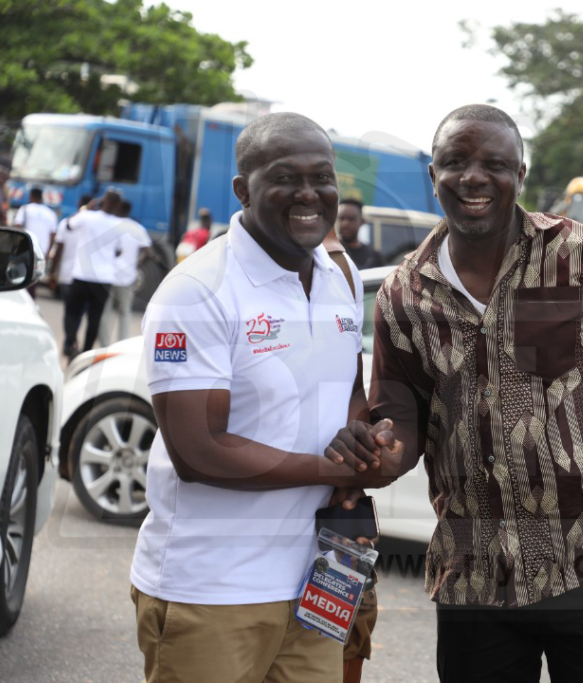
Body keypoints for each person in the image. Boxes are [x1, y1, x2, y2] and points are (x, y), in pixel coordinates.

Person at [338, 104, 583, 682]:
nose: (473, 177)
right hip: (474, 578)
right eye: (455, 162)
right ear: (433, 175)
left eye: (494, 164)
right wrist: (383, 450)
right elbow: (401, 418)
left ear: (521, 174)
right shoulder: (403, 295)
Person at [129, 112, 398, 683]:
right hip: (213, 590)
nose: (309, 194)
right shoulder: (197, 291)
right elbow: (198, 451)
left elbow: (346, 387)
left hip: (319, 581)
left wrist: (360, 445)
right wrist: (326, 469)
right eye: (285, 177)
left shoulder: (340, 278)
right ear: (242, 189)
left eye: (322, 177)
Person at [61, 190, 124, 358]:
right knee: (95, 318)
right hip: (104, 279)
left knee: (72, 312)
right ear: (118, 205)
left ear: (102, 201)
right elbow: (118, 251)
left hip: (81, 275)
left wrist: (85, 208)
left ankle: (70, 344)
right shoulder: (120, 224)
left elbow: (68, 225)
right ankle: (87, 351)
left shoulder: (86, 216)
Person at [97, 199, 152, 346]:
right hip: (128, 276)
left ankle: (104, 345)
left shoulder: (111, 225)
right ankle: (121, 343)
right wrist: (137, 264)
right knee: (125, 312)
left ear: (118, 208)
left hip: (107, 275)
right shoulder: (138, 228)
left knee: (104, 312)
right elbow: (148, 252)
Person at [13, 187, 59, 298]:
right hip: (41, 252)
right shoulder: (51, 213)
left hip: (25, 249)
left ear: (31, 196)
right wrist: (48, 253)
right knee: (34, 281)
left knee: (20, 279)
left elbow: (17, 227)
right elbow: (53, 236)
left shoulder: (25, 209)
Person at [50, 195, 94, 300]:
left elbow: (59, 250)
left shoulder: (65, 223)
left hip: (67, 274)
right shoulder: (96, 226)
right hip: (87, 277)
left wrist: (53, 272)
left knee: (70, 312)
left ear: (79, 205)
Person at [336, 198, 384, 269]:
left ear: (362, 221)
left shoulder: (374, 257)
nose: (345, 224)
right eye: (342, 218)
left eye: (351, 219)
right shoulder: (329, 252)